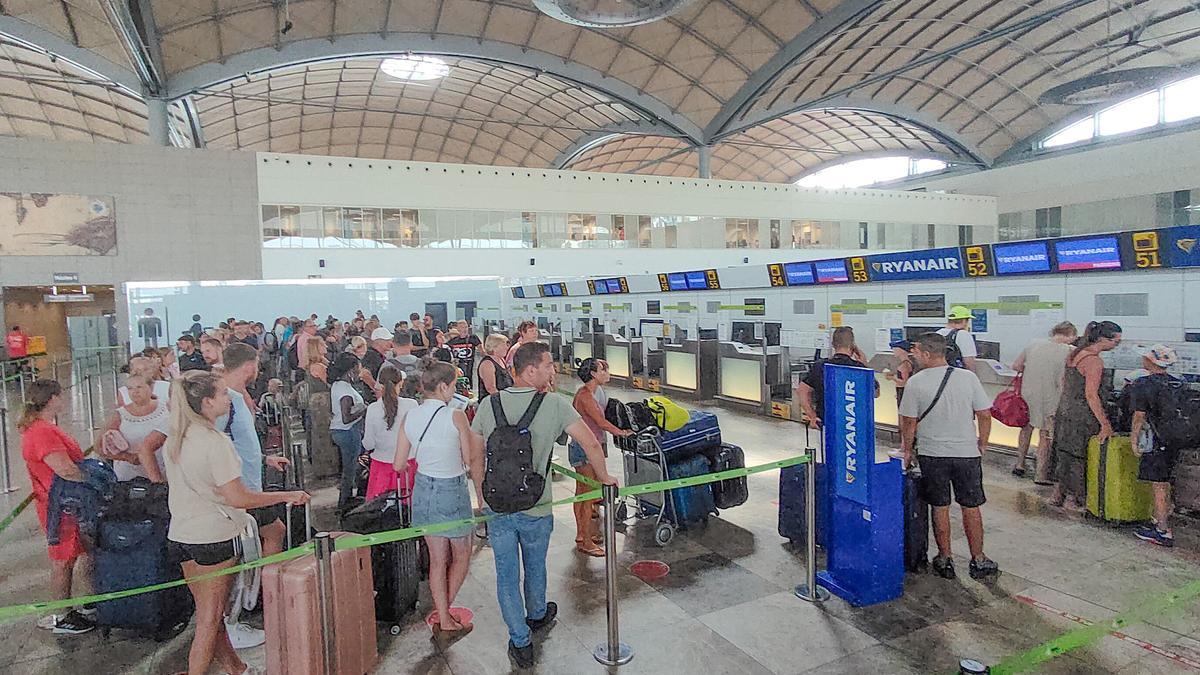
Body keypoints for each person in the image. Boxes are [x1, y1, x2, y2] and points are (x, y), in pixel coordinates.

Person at [469, 342, 617, 668]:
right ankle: (537, 614)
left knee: (506, 575)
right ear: (530, 370)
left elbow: (475, 455)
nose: (553, 370)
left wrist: (482, 497)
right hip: (536, 505)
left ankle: (520, 641)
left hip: (498, 505)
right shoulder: (553, 405)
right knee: (535, 565)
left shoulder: (488, 405)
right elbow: (590, 441)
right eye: (548, 365)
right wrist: (604, 476)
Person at [164, 370, 309, 675]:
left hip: (182, 535)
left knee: (210, 615)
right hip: (214, 538)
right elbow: (239, 498)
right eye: (220, 394)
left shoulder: (177, 437)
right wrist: (285, 496)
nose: (228, 399)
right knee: (209, 618)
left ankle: (236, 668)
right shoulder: (215, 442)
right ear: (206, 402)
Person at [899, 333, 999, 580]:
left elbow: (909, 423)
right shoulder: (968, 378)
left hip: (933, 454)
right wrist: (982, 443)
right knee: (971, 506)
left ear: (926, 354)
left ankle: (946, 559)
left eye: (917, 352)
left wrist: (907, 452)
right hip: (967, 453)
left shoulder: (916, 382)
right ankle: (979, 559)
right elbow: (985, 414)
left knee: (940, 507)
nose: (914, 356)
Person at [217, 343, 294, 648]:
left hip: (248, 485)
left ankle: (257, 598)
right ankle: (246, 608)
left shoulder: (235, 399)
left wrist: (264, 459)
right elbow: (218, 445)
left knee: (272, 533)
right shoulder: (226, 401)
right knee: (244, 549)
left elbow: (239, 442)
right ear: (250, 366)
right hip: (240, 491)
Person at [395, 362, 480, 635]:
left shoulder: (411, 417)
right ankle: (443, 611)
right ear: (443, 387)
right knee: (463, 554)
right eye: (453, 386)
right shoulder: (456, 416)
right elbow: (468, 459)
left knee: (437, 559)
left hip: (423, 488)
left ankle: (442, 615)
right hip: (451, 489)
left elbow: (399, 463)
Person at [20, 380, 96, 634]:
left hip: (65, 504)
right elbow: (64, 469)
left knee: (79, 553)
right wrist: (93, 481)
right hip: (60, 507)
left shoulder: (41, 428)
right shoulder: (42, 432)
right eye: (61, 396)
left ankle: (86, 602)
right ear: (52, 398)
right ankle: (63, 615)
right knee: (63, 559)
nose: (63, 400)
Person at [1049, 321, 1122, 511]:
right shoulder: (1094, 361)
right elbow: (1091, 394)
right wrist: (1105, 423)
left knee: (1062, 452)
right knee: (1078, 455)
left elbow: (1065, 383)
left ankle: (1058, 494)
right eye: (1116, 342)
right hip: (1082, 415)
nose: (1116, 346)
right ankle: (1073, 500)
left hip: (1065, 409)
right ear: (1103, 339)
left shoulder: (1074, 354)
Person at [569, 358, 633, 556]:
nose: (607, 373)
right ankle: (586, 541)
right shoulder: (586, 396)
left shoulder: (590, 393)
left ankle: (583, 534)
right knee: (587, 496)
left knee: (582, 493)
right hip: (585, 449)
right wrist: (622, 432)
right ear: (594, 374)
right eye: (603, 370)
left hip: (586, 447)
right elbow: (601, 422)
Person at [1129, 345, 1186, 547]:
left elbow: (1139, 416)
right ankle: (1159, 518)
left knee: (1158, 485)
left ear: (1151, 362)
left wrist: (1134, 440)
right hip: (1175, 439)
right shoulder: (1179, 383)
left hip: (1154, 439)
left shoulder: (1143, 384)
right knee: (1166, 481)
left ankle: (1162, 530)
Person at [1010, 322, 1078, 481]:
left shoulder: (1033, 344)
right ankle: (1041, 474)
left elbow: (1016, 366)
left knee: (1026, 428)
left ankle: (1020, 464)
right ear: (1071, 335)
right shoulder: (1070, 351)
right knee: (1045, 434)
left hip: (1029, 393)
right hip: (1053, 395)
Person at [797, 327, 876, 428]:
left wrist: (812, 416)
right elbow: (875, 393)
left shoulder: (820, 366)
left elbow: (801, 391)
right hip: (853, 425)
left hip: (825, 422)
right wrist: (865, 366)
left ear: (833, 345)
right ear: (852, 346)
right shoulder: (858, 368)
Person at [362, 367, 418, 500]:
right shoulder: (412, 405)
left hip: (381, 467)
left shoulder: (373, 409)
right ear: (401, 383)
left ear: (379, 385)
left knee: (381, 511)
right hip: (408, 464)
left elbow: (368, 444)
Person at [104, 374, 169, 482]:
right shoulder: (119, 414)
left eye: (139, 387)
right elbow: (101, 448)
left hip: (164, 472)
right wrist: (127, 457)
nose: (135, 392)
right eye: (130, 388)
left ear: (151, 387)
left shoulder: (167, 409)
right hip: (129, 477)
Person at [329, 352, 368, 510]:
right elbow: (347, 417)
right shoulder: (345, 391)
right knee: (351, 469)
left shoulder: (338, 385)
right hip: (347, 431)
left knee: (349, 469)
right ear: (351, 370)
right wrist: (364, 410)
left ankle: (346, 501)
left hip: (340, 430)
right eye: (358, 368)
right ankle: (345, 503)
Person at [937, 306, 978, 371]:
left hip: (939, 374)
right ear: (964, 321)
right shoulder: (963, 335)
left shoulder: (938, 333)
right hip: (956, 375)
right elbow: (969, 362)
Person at [358, 326, 393, 401]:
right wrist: (376, 389)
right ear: (378, 342)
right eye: (387, 340)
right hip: (373, 398)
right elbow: (364, 374)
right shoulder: (372, 356)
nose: (390, 342)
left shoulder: (377, 355)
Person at [477, 333, 513, 400]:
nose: (507, 347)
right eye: (504, 344)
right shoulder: (487, 364)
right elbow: (491, 388)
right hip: (491, 403)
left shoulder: (501, 360)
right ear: (495, 347)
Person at [448, 320, 482, 388]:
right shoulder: (453, 340)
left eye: (466, 327)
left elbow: (481, 350)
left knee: (468, 380)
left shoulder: (473, 338)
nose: (465, 329)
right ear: (458, 328)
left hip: (468, 364)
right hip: (458, 364)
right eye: (462, 327)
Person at [885, 339, 918, 407]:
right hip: (902, 391)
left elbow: (904, 382)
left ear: (901, 350)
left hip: (903, 391)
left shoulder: (905, 365)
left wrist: (892, 378)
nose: (893, 351)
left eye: (895, 349)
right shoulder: (908, 363)